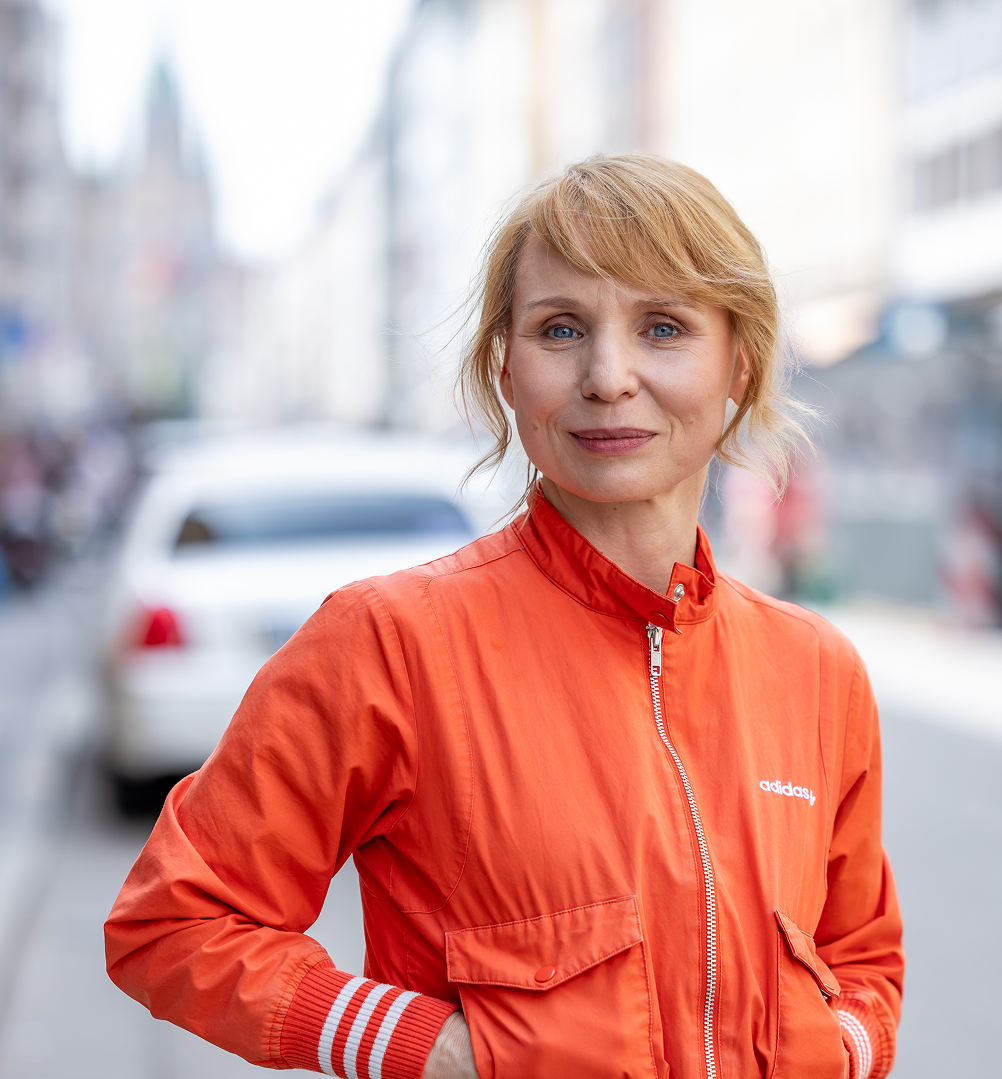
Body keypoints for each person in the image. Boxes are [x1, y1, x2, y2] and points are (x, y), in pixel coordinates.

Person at [105, 154, 904, 1079]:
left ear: (740, 363)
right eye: (561, 328)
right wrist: (431, 1050)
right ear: (504, 366)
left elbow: (863, 963)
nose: (609, 376)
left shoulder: (816, 670)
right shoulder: (392, 644)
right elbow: (173, 918)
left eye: (663, 327)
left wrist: (836, 1050)